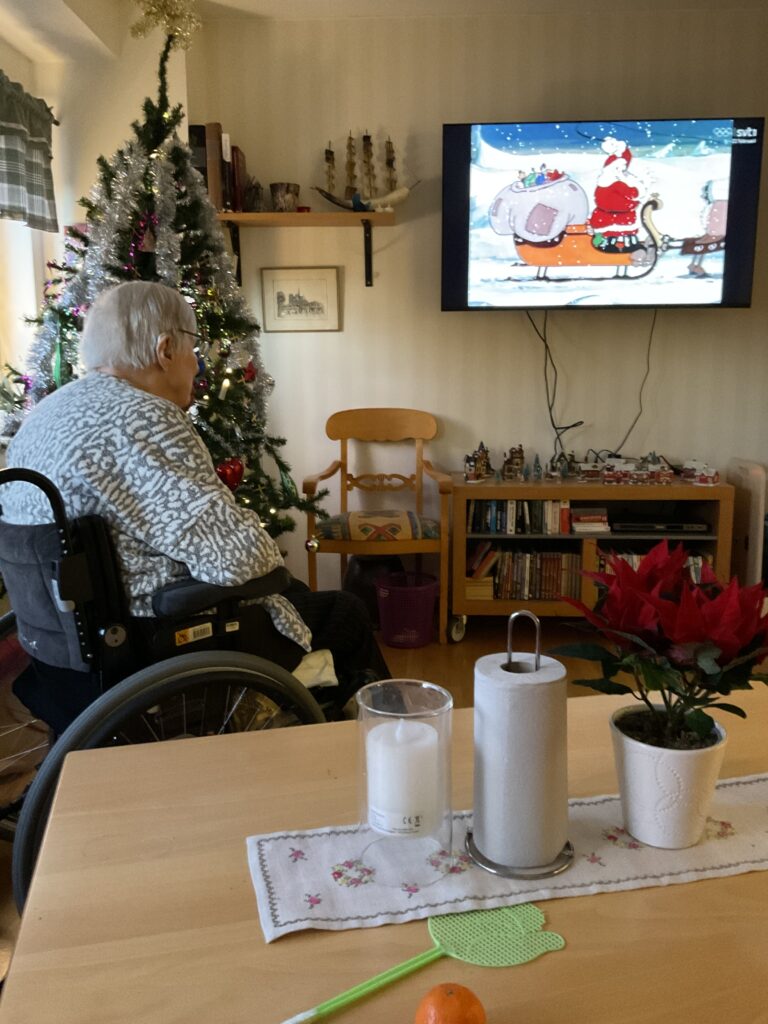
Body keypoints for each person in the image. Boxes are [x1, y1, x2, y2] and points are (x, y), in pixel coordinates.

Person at [2, 281, 389, 729]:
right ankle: (387, 738)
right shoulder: (144, 417)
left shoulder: (44, 415)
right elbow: (242, 560)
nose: (198, 364)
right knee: (345, 613)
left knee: (298, 596)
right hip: (150, 642)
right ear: (165, 349)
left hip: (64, 650)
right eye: (194, 348)